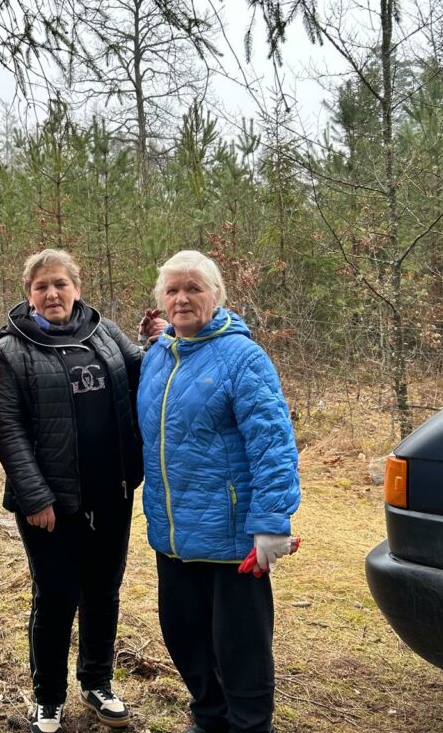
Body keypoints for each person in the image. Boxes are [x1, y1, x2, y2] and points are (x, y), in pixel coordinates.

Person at [0, 249, 162, 733]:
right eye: (41, 286)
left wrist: (160, 341)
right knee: (58, 595)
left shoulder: (102, 331)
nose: (52, 293)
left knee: (103, 592)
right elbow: (9, 429)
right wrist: (34, 496)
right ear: (29, 295)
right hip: (49, 502)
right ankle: (48, 696)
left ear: (77, 289)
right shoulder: (10, 350)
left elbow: (141, 373)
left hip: (112, 492)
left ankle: (97, 681)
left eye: (61, 284)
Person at [137, 250, 301, 733]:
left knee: (241, 647)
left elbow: (273, 443)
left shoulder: (242, 357)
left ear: (217, 295)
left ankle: (250, 725)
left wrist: (272, 522)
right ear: (161, 301)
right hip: (172, 533)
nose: (182, 298)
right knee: (184, 636)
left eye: (194, 288)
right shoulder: (158, 356)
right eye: (172, 290)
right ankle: (209, 718)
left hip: (231, 538)